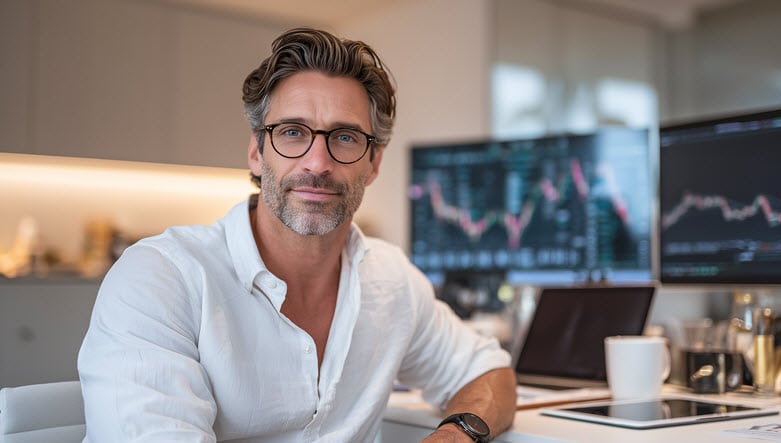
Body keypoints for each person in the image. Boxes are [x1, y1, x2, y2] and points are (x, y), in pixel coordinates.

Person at [77, 27, 517, 442]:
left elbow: (487, 373)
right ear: (256, 151)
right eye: (292, 132)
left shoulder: (392, 282)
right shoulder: (160, 280)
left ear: (374, 163)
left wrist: (455, 434)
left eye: (344, 137)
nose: (317, 163)